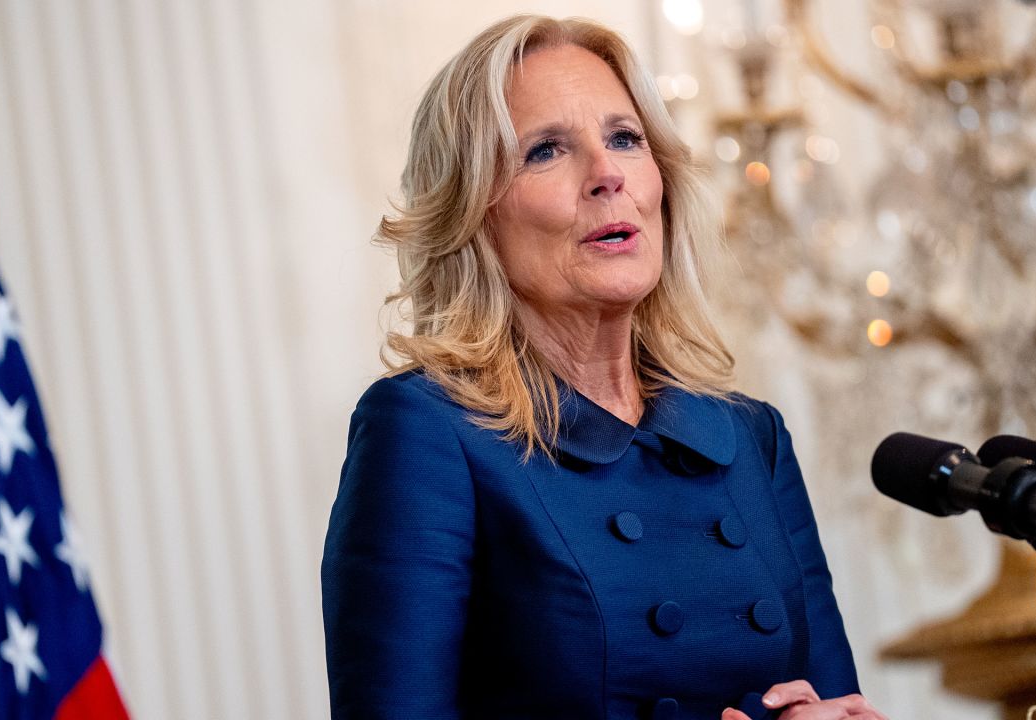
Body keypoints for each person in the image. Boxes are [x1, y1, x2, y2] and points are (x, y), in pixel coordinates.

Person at [321, 14, 885, 720]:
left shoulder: (749, 439)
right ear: (472, 212)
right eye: (545, 151)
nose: (607, 174)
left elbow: (838, 701)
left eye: (625, 138)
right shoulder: (427, 432)